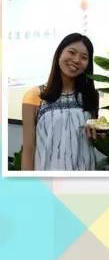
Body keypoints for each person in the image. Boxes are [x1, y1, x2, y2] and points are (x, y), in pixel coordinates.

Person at [21, 33, 101, 171]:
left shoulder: (91, 96)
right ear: (59, 53)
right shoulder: (34, 95)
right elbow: (29, 148)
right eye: (72, 52)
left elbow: (92, 138)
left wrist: (99, 134)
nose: (76, 60)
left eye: (84, 57)